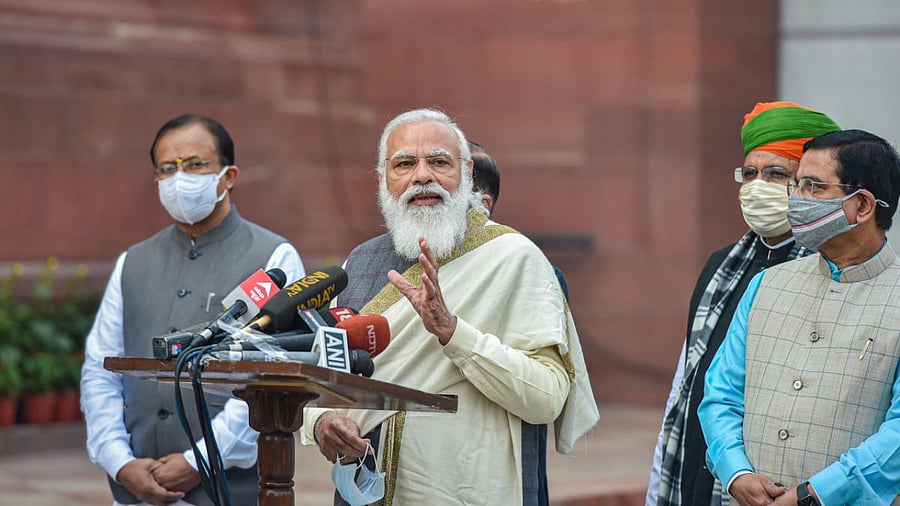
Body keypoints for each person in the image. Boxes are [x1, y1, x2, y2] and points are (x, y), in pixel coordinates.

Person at [299, 107, 599, 505]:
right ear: (383, 179)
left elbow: (546, 398)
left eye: (438, 162)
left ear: (467, 173)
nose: (421, 175)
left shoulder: (513, 258)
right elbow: (320, 377)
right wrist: (321, 423)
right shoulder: (360, 262)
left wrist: (453, 333)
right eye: (404, 164)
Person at [81, 114, 305, 506]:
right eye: (167, 168)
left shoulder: (273, 259)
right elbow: (100, 370)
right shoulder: (132, 262)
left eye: (195, 165)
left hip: (225, 491)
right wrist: (119, 461)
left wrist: (196, 461)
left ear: (229, 176)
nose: (179, 178)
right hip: (135, 487)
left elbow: (272, 375)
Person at [648, 102, 841, 506]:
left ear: (808, 185)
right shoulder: (723, 263)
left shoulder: (831, 268)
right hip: (700, 458)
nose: (756, 186)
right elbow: (690, 373)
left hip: (774, 478)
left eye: (775, 174)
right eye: (749, 173)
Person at [698, 129, 900, 505]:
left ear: (863, 206)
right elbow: (721, 394)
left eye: (813, 187)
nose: (796, 200)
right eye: (797, 185)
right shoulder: (766, 285)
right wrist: (735, 472)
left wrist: (817, 494)